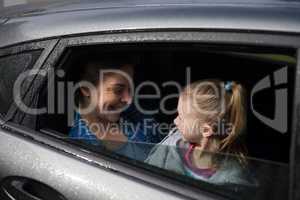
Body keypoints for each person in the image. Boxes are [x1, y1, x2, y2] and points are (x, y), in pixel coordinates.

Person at [145, 80, 257, 188]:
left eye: (181, 117)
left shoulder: (233, 180)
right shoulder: (170, 147)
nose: (175, 121)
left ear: (206, 130)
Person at [69, 54, 161, 161]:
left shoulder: (131, 113)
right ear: (86, 89)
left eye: (130, 89)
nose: (129, 100)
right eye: (118, 90)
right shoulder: (81, 149)